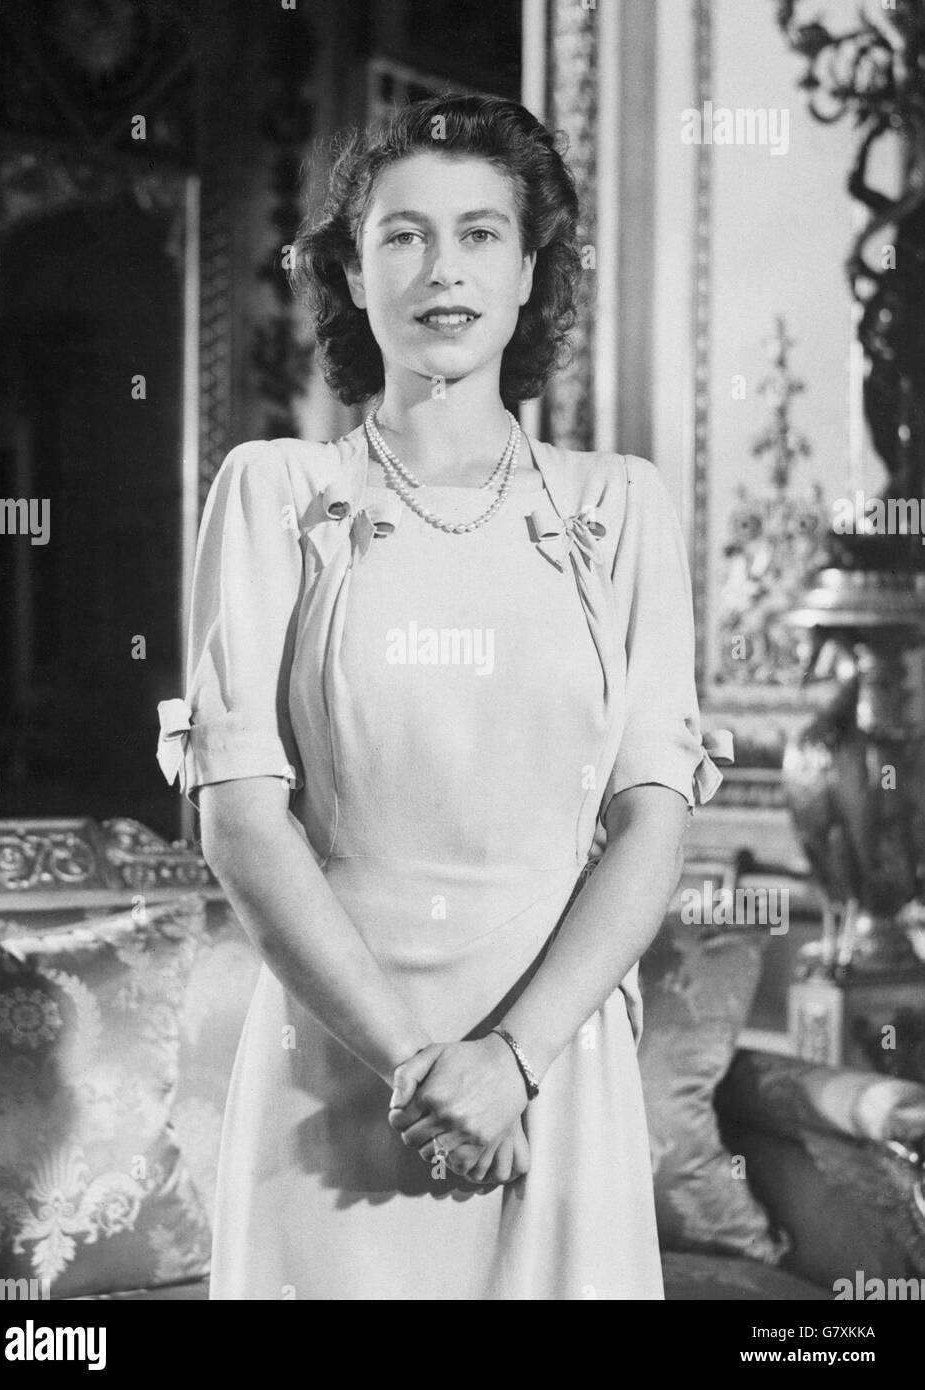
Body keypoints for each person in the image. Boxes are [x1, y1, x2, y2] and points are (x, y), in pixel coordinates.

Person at [156, 93, 732, 1301]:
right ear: (351, 274)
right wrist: (425, 1069)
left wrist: (510, 1065)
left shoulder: (619, 507)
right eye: (402, 235)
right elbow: (241, 816)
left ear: (532, 270)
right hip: (336, 1072)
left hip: (552, 1064)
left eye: (480, 233)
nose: (441, 269)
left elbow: (652, 820)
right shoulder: (271, 494)